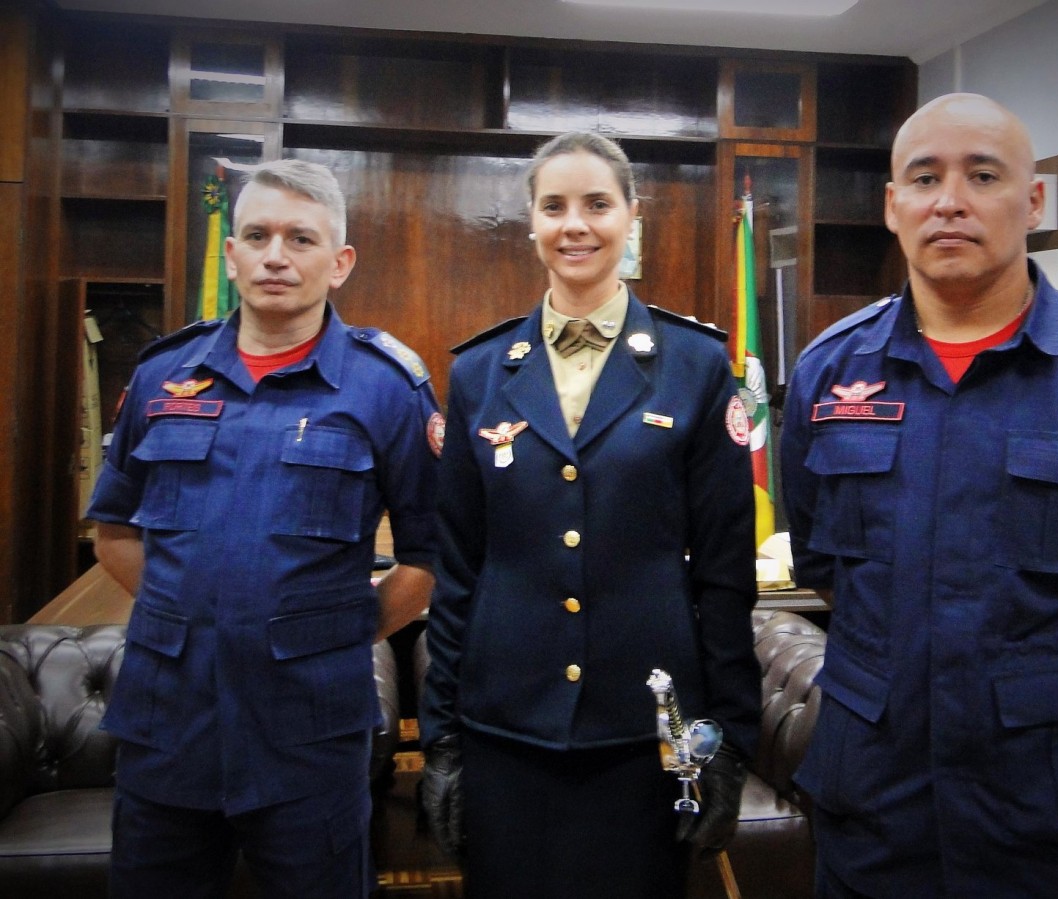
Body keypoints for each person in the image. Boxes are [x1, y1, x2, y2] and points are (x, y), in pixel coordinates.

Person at [779, 93, 1058, 898]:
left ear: (1031, 201)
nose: (949, 199)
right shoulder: (827, 372)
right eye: (923, 178)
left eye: (981, 174)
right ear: (893, 207)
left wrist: (1046, 670)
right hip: (881, 810)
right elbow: (823, 563)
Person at [418, 131, 762, 899]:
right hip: (505, 727)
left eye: (597, 204)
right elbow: (458, 570)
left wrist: (731, 740)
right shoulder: (479, 372)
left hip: (645, 735)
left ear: (631, 216)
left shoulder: (697, 366)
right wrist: (441, 737)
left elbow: (723, 573)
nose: (575, 224)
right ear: (531, 222)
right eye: (554, 206)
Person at [86, 158, 440, 898]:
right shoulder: (162, 374)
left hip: (308, 729)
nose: (276, 255)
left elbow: (429, 556)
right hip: (167, 720)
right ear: (231, 253)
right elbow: (112, 528)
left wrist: (335, 630)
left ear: (339, 262)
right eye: (258, 234)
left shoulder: (386, 387)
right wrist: (189, 611)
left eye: (301, 238)